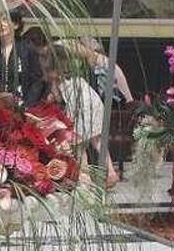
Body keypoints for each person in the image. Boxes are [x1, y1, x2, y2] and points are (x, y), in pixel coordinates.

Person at [47, 44, 120, 187]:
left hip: (79, 107)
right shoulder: (75, 72)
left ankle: (85, 177)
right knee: (97, 140)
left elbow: (55, 96)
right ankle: (111, 173)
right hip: (93, 103)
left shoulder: (56, 77)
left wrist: (50, 97)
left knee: (78, 144)